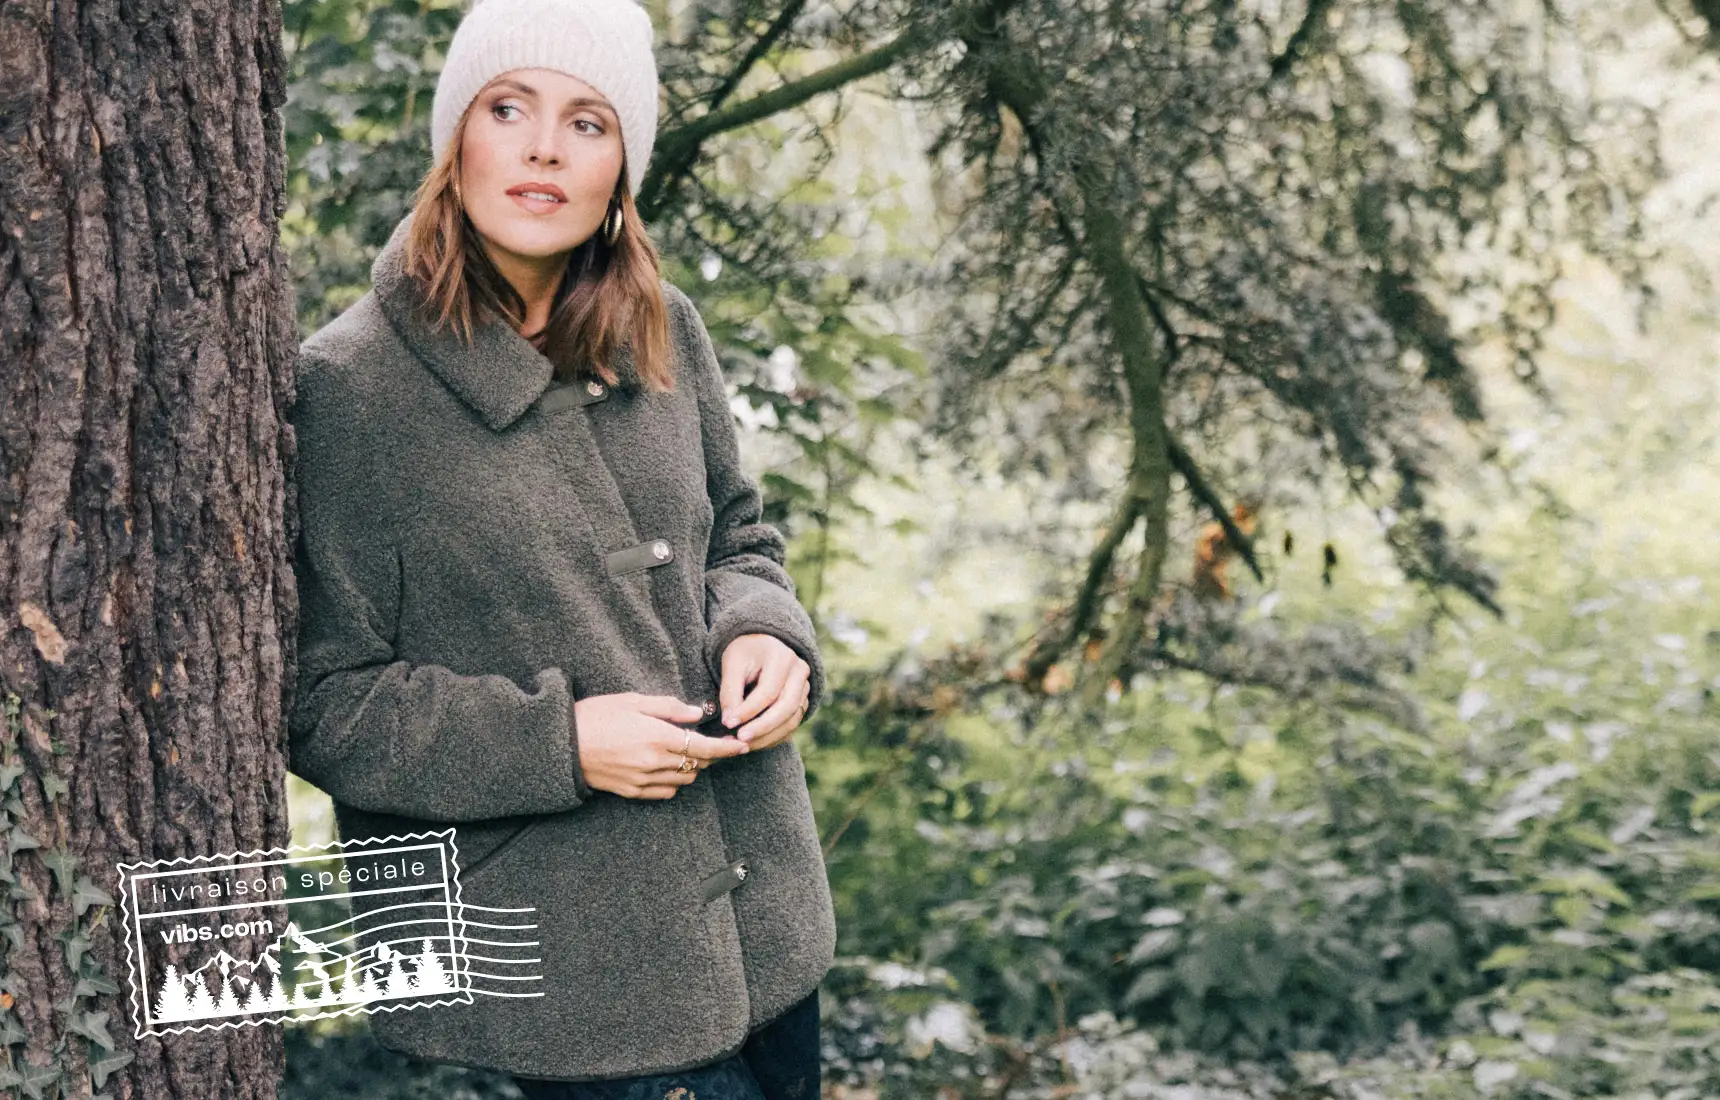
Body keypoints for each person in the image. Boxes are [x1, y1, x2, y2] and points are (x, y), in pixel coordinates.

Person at [285, 0, 834, 1095]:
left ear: (621, 164)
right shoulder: (347, 389)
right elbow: (319, 701)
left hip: (768, 931)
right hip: (566, 980)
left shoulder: (664, 323)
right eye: (508, 108)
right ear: (456, 137)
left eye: (588, 122)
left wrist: (767, 632)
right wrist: (561, 743)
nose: (544, 148)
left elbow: (737, 534)